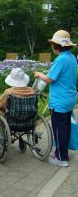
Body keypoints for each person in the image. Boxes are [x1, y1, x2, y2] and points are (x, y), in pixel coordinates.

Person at [34, 30, 77, 167]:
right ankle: (63, 153)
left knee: (59, 129)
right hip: (70, 98)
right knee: (66, 128)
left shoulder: (61, 59)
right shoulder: (71, 57)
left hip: (60, 100)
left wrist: (39, 74)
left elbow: (49, 79)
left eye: (52, 44)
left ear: (55, 45)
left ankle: (61, 158)